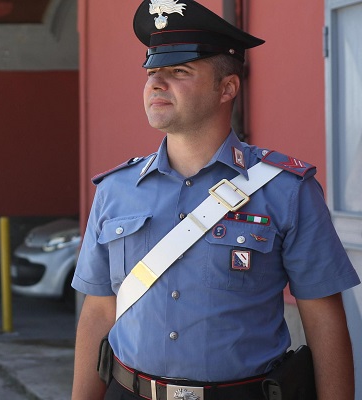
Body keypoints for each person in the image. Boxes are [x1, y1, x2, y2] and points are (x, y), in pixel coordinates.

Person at [71, 1, 360, 399]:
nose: (156, 83)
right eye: (152, 72)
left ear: (227, 88)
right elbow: (99, 310)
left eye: (179, 72)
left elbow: (324, 321)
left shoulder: (286, 190)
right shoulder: (114, 190)